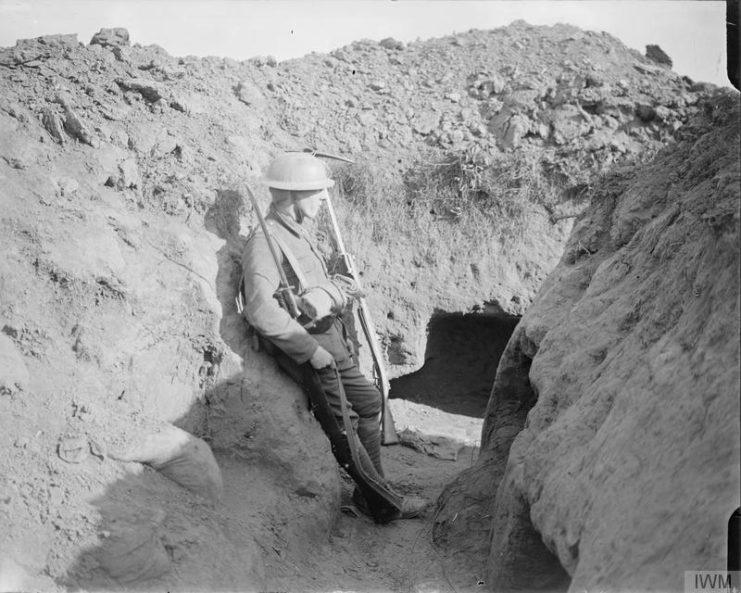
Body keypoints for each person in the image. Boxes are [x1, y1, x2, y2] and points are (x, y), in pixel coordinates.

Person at [240, 152, 428, 522]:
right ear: (294, 197)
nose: (321, 200)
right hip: (310, 349)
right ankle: (383, 505)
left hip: (333, 341)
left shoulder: (295, 234)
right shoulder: (266, 243)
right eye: (315, 193)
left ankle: (374, 487)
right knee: (345, 431)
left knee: (370, 402)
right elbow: (260, 310)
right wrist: (309, 351)